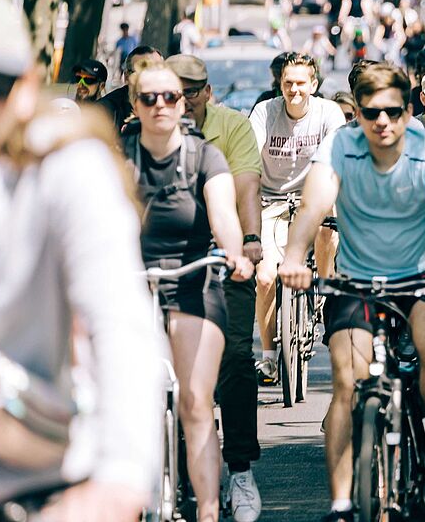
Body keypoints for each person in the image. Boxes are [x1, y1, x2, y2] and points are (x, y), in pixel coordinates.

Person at [0, 0, 160, 522]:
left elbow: (120, 325)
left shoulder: (65, 171)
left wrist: (122, 477)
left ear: (25, 88)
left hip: (51, 484)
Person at [278, 62, 425, 519]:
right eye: (370, 112)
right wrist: (292, 256)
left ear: (408, 111)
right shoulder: (340, 146)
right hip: (356, 282)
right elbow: (312, 206)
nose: (381, 121)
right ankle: (343, 502)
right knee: (347, 382)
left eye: (390, 111)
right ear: (358, 114)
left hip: (422, 278)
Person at [121, 65, 254, 522]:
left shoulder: (205, 157)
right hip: (129, 285)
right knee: (118, 398)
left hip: (194, 281)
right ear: (135, 105)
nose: (161, 106)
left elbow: (224, 215)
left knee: (196, 401)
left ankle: (210, 512)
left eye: (171, 98)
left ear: (185, 103)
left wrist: (233, 253)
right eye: (149, 98)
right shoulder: (118, 157)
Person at [167, 55, 266, 521]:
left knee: (235, 361)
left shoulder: (226, 132)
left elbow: (242, 188)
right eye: (168, 92)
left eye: (190, 91)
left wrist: (246, 244)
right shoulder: (131, 139)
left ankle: (240, 469)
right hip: (159, 267)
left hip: (218, 256)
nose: (179, 101)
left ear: (207, 92)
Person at [250, 53, 345, 384]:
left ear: (314, 85)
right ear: (280, 84)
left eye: (301, 83)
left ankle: (322, 288)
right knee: (264, 278)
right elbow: (251, 150)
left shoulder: (328, 113)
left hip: (312, 198)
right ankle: (268, 355)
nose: (294, 90)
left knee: (327, 224)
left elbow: (334, 156)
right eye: (288, 83)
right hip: (270, 201)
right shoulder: (266, 111)